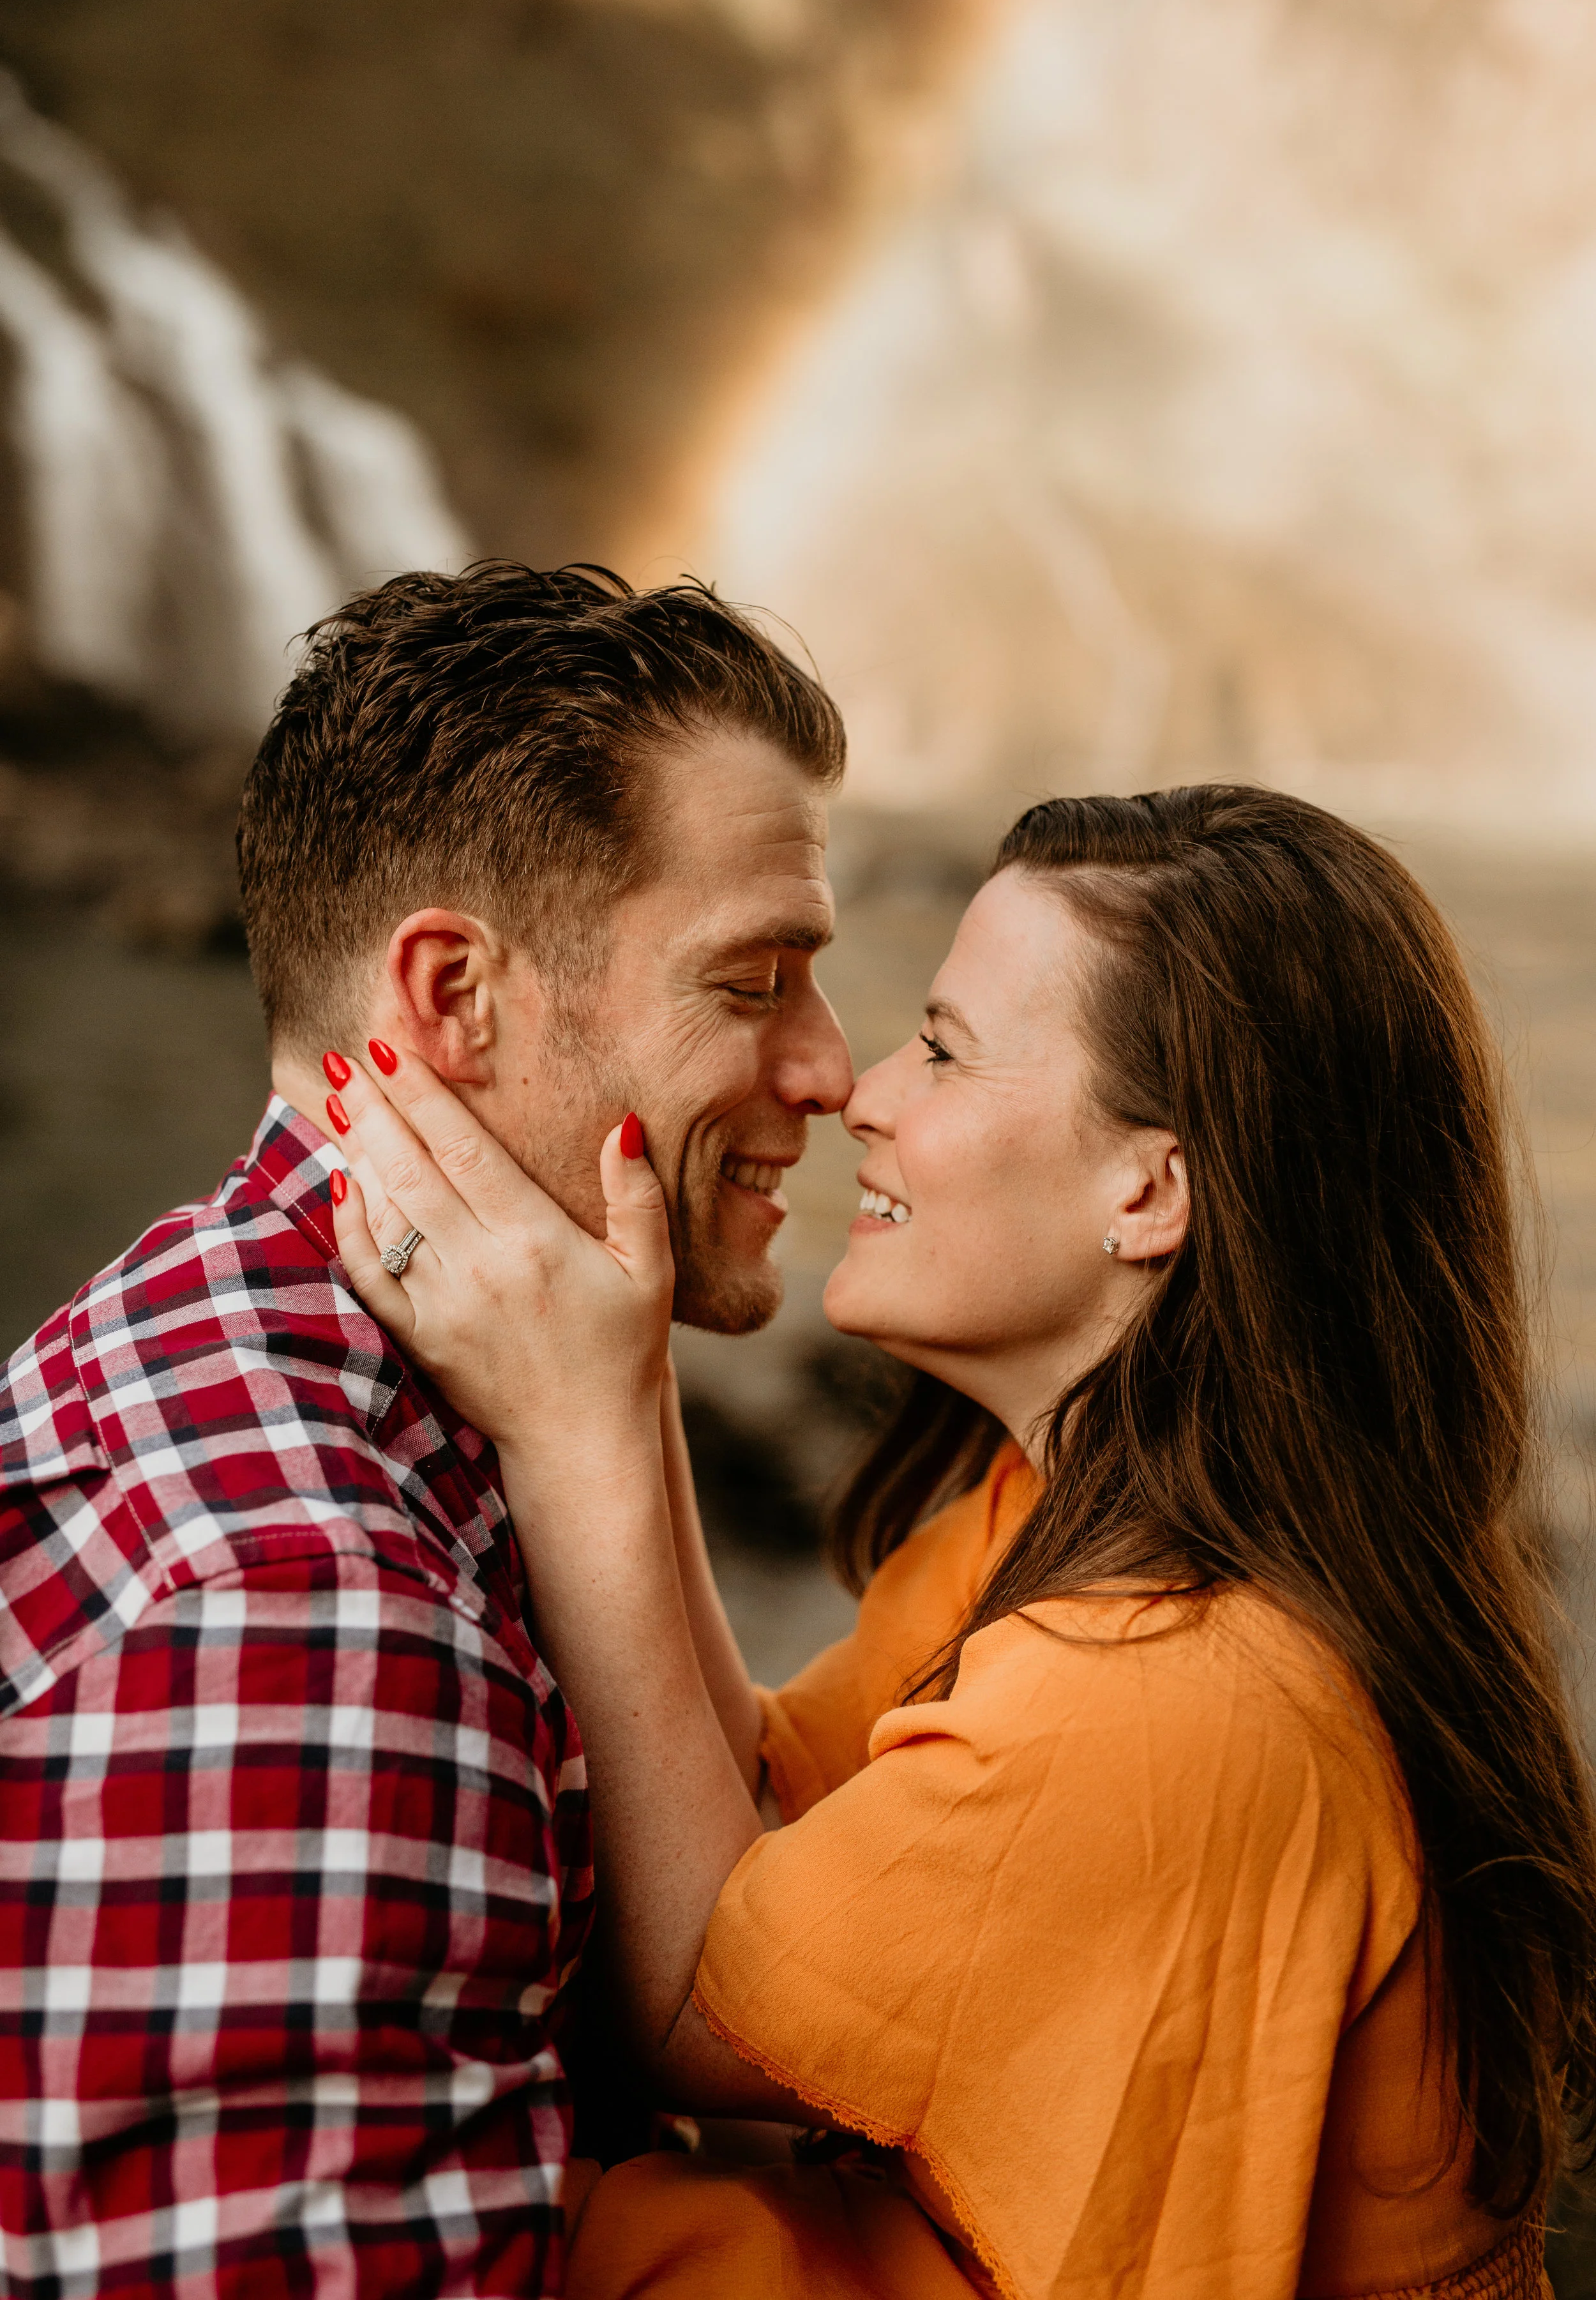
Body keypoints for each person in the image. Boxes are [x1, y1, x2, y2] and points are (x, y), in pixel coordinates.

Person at [329, 784, 1596, 2300]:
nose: (861, 1089)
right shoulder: (1054, 1520)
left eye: (940, 1047)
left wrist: (571, 1429)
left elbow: (684, 2007)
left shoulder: (1158, 1694)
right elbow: (755, 1809)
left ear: (1149, 1190)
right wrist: (628, 1341)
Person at [0, 561, 853, 2297]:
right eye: (755, 976)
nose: (834, 1067)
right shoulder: (310, 1609)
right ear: (455, 996)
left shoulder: (310, 1350)